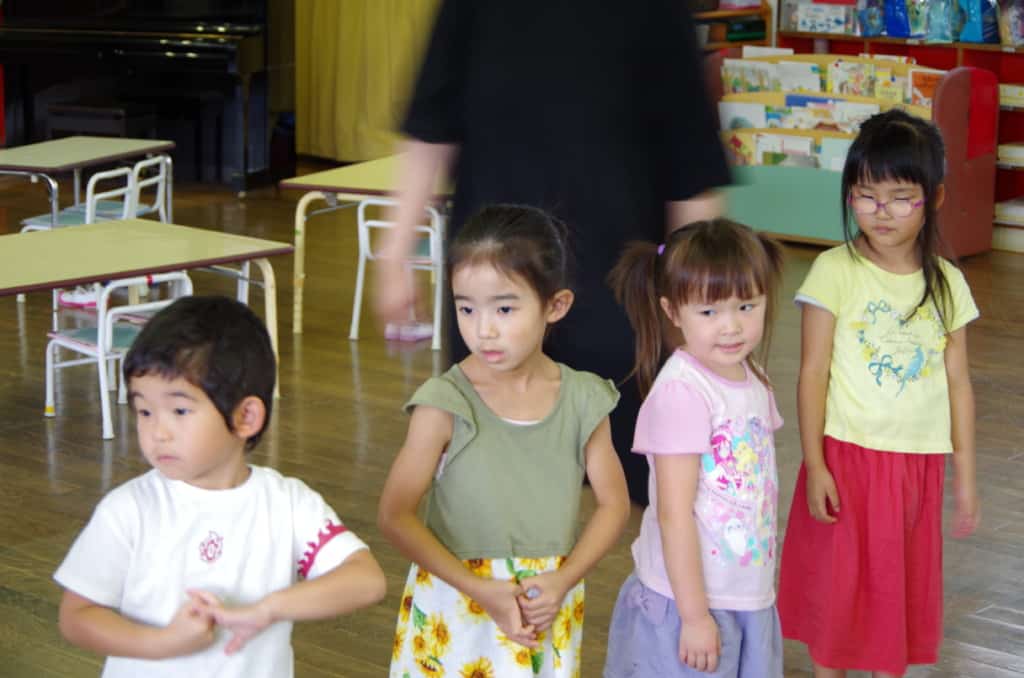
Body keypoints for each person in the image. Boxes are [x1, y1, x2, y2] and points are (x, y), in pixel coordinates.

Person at [374, 0, 731, 506]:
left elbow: (691, 166)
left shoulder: (656, 10)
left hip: (618, 299)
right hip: (495, 293)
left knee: (629, 489)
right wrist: (394, 254)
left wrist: (699, 302)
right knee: (490, 482)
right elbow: (431, 126)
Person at [54, 296, 387, 677]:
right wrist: (162, 644)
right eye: (144, 411)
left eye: (179, 410)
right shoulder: (129, 509)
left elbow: (366, 580)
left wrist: (268, 609)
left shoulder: (288, 503)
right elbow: (76, 615)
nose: (157, 432)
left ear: (246, 416)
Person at [378, 204, 631, 677]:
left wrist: (564, 579)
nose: (483, 329)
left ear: (555, 305)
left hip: (544, 605)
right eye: (466, 308)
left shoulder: (584, 399)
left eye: (505, 308)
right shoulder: (444, 403)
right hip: (456, 610)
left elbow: (614, 504)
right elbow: (394, 515)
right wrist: (480, 590)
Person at [776, 109, 981, 677]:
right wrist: (815, 464)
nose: (881, 211)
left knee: (896, 590)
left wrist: (965, 477)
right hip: (847, 459)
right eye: (866, 196)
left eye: (900, 198)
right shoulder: (833, 270)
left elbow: (959, 384)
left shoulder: (948, 284)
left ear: (934, 199)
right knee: (837, 588)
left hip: (916, 467)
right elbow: (812, 372)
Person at [603, 219, 786, 677]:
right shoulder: (683, 392)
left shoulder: (754, 378)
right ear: (672, 311)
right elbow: (673, 513)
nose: (731, 326)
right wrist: (695, 616)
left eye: (747, 305)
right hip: (688, 603)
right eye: (708, 311)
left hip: (743, 593)